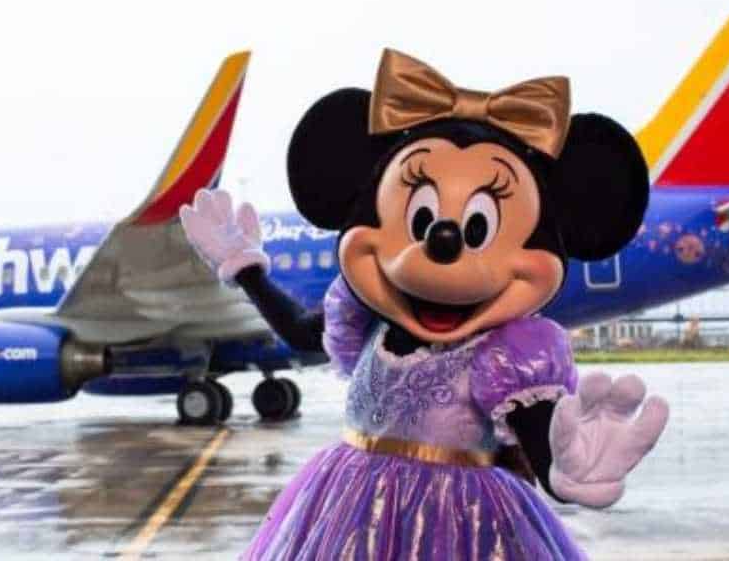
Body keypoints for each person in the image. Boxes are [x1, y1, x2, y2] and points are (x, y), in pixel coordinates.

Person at [180, 48, 669, 560]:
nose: (443, 242)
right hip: (346, 505)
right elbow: (303, 333)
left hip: (461, 521)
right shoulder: (367, 316)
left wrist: (566, 470)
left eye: (477, 227)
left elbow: (538, 437)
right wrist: (246, 268)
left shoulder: (505, 354)